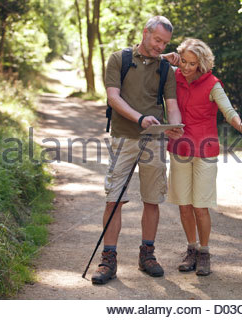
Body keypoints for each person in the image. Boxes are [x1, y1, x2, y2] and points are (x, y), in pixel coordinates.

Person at [91, 16, 183, 284]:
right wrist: (139, 118)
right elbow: (113, 97)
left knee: (152, 199)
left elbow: (172, 103)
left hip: (155, 141)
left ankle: (147, 255)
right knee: (114, 198)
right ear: (145, 33)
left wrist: (174, 125)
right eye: (157, 40)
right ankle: (108, 259)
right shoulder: (119, 59)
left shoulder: (166, 68)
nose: (160, 46)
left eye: (164, 43)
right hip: (124, 137)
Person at [166, 38, 242, 276]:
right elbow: (151, 63)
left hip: (204, 151)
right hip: (179, 149)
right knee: (184, 206)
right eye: (183, 61)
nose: (186, 67)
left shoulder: (213, 84)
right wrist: (169, 58)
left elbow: (229, 111)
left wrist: (241, 126)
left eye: (192, 63)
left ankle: (204, 252)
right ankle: (191, 249)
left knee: (200, 206)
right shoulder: (174, 76)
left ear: (201, 64)